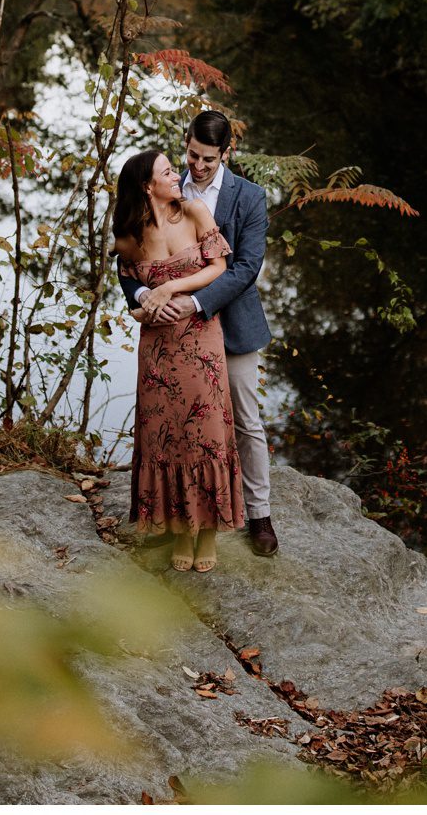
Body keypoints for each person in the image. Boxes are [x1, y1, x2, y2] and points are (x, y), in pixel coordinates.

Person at [121, 111, 279, 557]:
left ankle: (259, 515)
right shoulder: (166, 187)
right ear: (185, 143)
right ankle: (179, 517)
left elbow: (245, 268)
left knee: (245, 423)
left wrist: (196, 302)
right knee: (173, 427)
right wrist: (144, 295)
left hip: (231, 326)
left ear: (226, 153)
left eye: (208, 159)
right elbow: (132, 260)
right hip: (171, 335)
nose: (198, 165)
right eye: (192, 154)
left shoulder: (249, 197)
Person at [113, 148, 245, 572]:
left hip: (200, 339)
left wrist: (172, 290)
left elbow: (219, 268)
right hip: (158, 347)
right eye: (167, 172)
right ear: (146, 186)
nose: (178, 175)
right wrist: (142, 304)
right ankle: (177, 528)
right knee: (163, 435)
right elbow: (128, 283)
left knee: (205, 432)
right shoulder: (129, 234)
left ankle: (207, 530)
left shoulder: (195, 213)